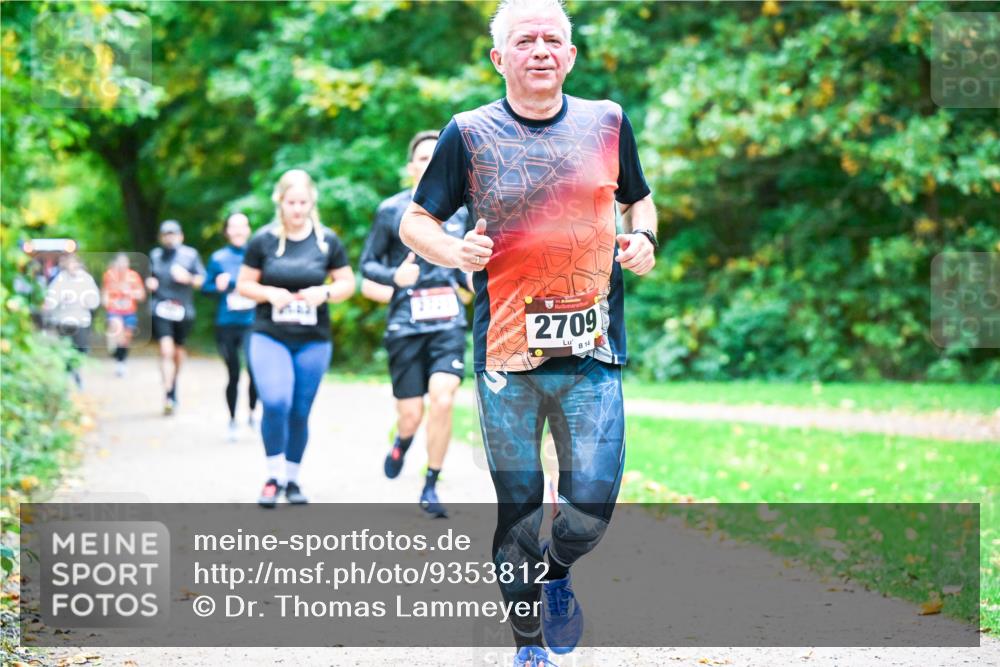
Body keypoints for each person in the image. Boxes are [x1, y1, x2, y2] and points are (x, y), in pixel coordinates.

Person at [399, 1, 658, 664]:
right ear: (499, 58)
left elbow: (639, 198)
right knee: (519, 508)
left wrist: (646, 238)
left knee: (591, 508)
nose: (540, 49)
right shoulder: (468, 132)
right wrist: (455, 251)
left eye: (552, 39)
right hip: (505, 356)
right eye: (524, 40)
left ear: (570, 56)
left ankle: (559, 569)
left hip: (593, 351)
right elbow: (415, 222)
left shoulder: (608, 122)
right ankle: (528, 646)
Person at [359, 130, 472, 519]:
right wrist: (395, 277)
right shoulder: (391, 210)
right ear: (411, 167)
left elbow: (467, 269)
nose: (430, 163)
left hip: (447, 325)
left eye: (436, 157)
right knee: (410, 415)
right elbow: (367, 265)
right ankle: (402, 442)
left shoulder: (462, 212)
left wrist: (473, 281)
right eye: (423, 158)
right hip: (405, 326)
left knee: (443, 398)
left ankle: (430, 483)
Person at [236, 169, 355, 508]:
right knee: (276, 401)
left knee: (300, 410)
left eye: (303, 202)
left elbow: (347, 283)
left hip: (313, 338)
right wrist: (269, 293)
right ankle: (272, 477)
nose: (298, 209)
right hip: (270, 334)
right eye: (291, 203)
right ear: (280, 202)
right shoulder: (263, 240)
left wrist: (325, 293)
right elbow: (244, 284)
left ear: (311, 202)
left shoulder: (327, 241)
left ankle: (292, 479)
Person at [203, 212, 259, 441]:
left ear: (248, 230)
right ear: (227, 231)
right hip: (226, 323)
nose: (238, 231)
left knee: (255, 369)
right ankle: (232, 420)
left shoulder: (256, 255)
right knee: (233, 373)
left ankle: (253, 414)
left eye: (242, 226)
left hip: (252, 322)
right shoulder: (218, 258)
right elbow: (205, 288)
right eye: (233, 226)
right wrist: (217, 286)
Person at [147, 220, 206, 415]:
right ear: (161, 237)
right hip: (161, 308)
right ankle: (168, 393)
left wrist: (187, 278)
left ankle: (173, 385)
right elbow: (149, 277)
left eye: (173, 234)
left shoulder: (190, 255)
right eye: (166, 234)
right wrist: (150, 282)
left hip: (183, 310)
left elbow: (202, 280)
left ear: (181, 236)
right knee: (166, 351)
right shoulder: (155, 256)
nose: (169, 238)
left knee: (178, 352)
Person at [42, 253, 101, 388]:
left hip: (81, 321)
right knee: (67, 348)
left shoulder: (87, 279)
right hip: (63, 321)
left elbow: (94, 301)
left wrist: (84, 300)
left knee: (81, 349)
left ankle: (75, 371)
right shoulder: (60, 279)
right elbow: (51, 299)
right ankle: (68, 376)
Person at [102, 252, 146, 377]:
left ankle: (121, 361)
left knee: (126, 339)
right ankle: (114, 348)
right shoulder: (109, 275)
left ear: (128, 263)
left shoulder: (134, 276)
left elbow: (141, 295)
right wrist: (105, 301)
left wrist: (129, 292)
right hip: (114, 310)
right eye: (120, 262)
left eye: (124, 262)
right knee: (117, 330)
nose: (122, 264)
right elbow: (105, 291)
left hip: (129, 311)